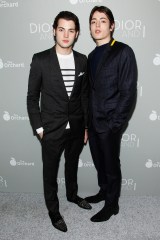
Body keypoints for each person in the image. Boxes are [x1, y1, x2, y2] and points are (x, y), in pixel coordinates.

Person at [27, 11, 91, 233]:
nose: (66, 34)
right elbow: (32, 97)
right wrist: (39, 128)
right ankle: (54, 212)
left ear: (77, 34)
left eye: (71, 30)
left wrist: (85, 126)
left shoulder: (83, 60)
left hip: (76, 126)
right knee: (50, 173)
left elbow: (84, 96)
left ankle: (72, 196)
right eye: (61, 29)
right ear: (54, 30)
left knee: (71, 165)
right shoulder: (40, 59)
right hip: (51, 129)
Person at [85, 6, 137, 222]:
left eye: (103, 21)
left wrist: (115, 123)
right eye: (94, 21)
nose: (97, 25)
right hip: (94, 121)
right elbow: (90, 92)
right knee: (99, 161)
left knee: (111, 164)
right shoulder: (90, 55)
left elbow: (128, 91)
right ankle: (104, 191)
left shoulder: (123, 51)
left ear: (112, 26)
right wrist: (87, 124)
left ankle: (112, 204)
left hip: (110, 122)